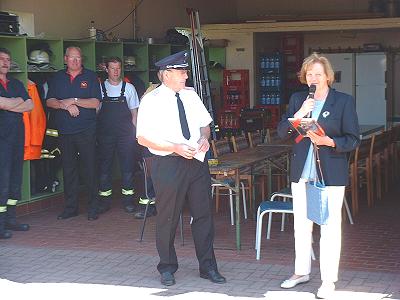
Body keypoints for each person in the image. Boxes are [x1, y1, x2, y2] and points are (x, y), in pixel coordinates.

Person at [136, 50, 226, 286]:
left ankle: (208, 267)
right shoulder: (151, 100)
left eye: (185, 71)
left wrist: (205, 138)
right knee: (168, 217)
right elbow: (143, 138)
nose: (186, 76)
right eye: (181, 72)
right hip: (168, 163)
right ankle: (166, 267)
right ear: (166, 75)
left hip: (196, 161)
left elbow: (205, 125)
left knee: (203, 215)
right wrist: (174, 147)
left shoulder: (191, 96)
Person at [277, 53, 360, 299]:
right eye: (309, 74)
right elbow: (283, 132)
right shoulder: (298, 99)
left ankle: (327, 280)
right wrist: (301, 112)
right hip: (303, 173)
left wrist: (329, 141)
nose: (313, 78)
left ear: (328, 76)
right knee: (301, 226)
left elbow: (353, 139)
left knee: (329, 228)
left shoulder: (343, 101)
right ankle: (301, 272)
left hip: (329, 174)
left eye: (318, 74)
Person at [46, 46, 101, 221]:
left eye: (78, 58)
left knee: (89, 168)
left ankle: (93, 207)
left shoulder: (91, 76)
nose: (75, 61)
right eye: (72, 58)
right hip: (65, 131)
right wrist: (66, 105)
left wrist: (75, 100)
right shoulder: (57, 77)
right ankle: (71, 207)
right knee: (69, 169)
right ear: (65, 59)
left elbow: (95, 102)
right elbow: (50, 101)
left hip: (86, 130)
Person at [97, 57, 139, 214]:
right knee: (104, 167)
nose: (115, 71)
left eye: (118, 68)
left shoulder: (129, 88)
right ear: (106, 69)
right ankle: (104, 201)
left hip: (125, 135)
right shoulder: (100, 88)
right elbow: (96, 111)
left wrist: (136, 135)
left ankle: (128, 201)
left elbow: (134, 114)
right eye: (112, 68)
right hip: (105, 135)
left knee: (127, 168)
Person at [0, 47, 33, 239]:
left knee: (15, 181)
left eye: (7, 59)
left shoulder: (16, 83)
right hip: (2, 140)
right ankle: (1, 223)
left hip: (16, 138)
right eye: (1, 59)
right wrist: (16, 103)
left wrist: (7, 103)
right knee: (2, 182)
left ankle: (11, 219)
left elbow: (30, 105)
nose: (5, 62)